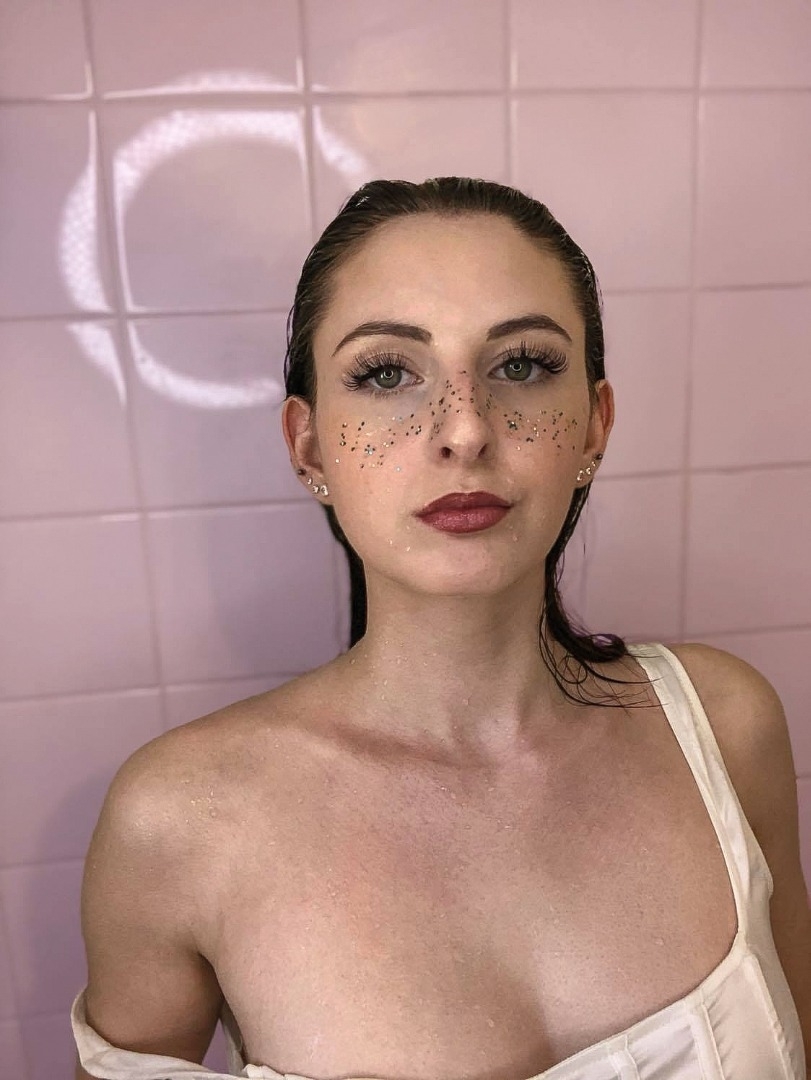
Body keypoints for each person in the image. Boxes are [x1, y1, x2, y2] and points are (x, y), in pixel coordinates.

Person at [72, 178, 810, 1080]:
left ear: (594, 425)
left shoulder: (725, 726)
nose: (463, 429)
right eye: (387, 374)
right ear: (308, 445)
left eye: (522, 365)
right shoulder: (178, 823)